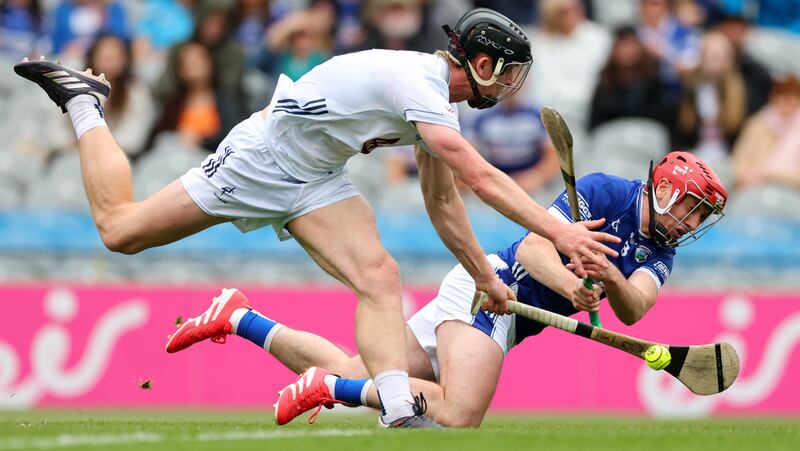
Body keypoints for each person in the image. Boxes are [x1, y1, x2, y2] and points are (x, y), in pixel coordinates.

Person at [14, 7, 619, 428]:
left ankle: (399, 409)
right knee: (120, 230)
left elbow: (443, 203)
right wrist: (558, 229)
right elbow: (480, 177)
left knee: (379, 276)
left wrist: (486, 280)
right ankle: (84, 104)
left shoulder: (437, 110)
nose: (512, 85)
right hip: (261, 159)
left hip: (316, 179)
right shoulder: (420, 84)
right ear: (480, 63)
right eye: (508, 71)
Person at [167, 151, 728, 427]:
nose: (691, 221)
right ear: (667, 188)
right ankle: (327, 389)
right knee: (459, 414)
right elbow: (534, 249)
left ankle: (238, 317)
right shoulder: (605, 194)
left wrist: (604, 279)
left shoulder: (663, 251)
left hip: (511, 316)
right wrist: (568, 279)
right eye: (692, 207)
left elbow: (634, 311)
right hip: (494, 289)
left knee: (356, 367)